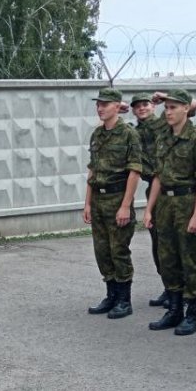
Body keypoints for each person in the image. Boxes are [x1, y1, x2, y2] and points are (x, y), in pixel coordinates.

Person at [143, 89, 196, 334]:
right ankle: (174, 310)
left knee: (190, 259)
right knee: (168, 258)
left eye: (174, 107)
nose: (169, 111)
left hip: (187, 201)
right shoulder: (163, 137)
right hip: (165, 202)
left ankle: (191, 314)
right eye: (167, 107)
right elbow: (158, 177)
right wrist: (149, 209)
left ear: (187, 109)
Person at [82, 87, 144, 320]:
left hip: (118, 198)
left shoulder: (129, 134)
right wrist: (87, 203)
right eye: (98, 104)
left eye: (105, 104)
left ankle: (124, 300)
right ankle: (110, 295)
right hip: (98, 199)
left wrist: (126, 205)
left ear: (118, 106)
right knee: (102, 251)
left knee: (119, 250)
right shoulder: (97, 135)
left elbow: (134, 171)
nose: (100, 108)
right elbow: (92, 170)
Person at [131, 93, 167, 307]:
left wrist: (164, 97)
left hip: (169, 187)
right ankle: (168, 286)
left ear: (153, 106)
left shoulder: (163, 123)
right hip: (152, 189)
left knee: (172, 244)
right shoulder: (134, 132)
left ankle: (182, 290)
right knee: (158, 243)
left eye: (145, 104)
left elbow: (191, 105)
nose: (141, 108)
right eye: (137, 106)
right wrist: (120, 108)